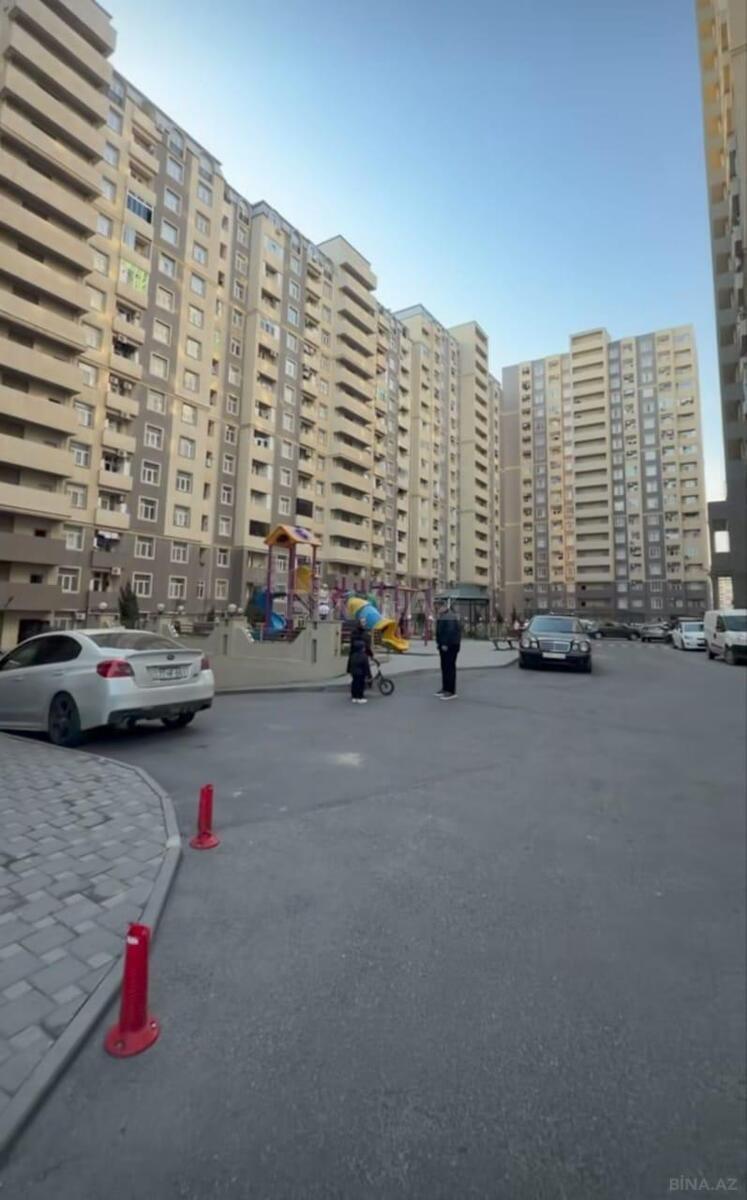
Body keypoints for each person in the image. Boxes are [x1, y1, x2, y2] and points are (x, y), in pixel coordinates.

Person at [435, 604, 461, 700]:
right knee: (445, 667)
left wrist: (445, 643)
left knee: (449, 667)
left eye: (439, 607)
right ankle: (445, 688)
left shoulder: (449, 616)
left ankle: (451, 691)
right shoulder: (443, 616)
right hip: (444, 645)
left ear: (445, 607)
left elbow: (450, 631)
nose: (437, 609)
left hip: (450, 646)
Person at [347, 621, 372, 704]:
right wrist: (368, 673)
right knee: (360, 682)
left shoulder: (354, 636)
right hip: (361, 670)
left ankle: (354, 696)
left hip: (354, 666)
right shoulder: (363, 655)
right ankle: (360, 697)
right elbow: (366, 665)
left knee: (355, 681)